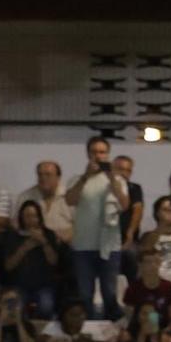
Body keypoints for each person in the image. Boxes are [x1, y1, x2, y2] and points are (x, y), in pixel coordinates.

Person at [65, 137, 127, 321]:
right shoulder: (76, 179)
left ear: (108, 154)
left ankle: (111, 331)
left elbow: (124, 204)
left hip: (110, 245)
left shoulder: (118, 180)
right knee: (85, 294)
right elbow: (70, 200)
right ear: (88, 154)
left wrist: (112, 179)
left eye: (102, 152)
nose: (98, 156)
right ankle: (89, 331)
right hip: (83, 245)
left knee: (109, 293)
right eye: (94, 152)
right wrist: (85, 177)